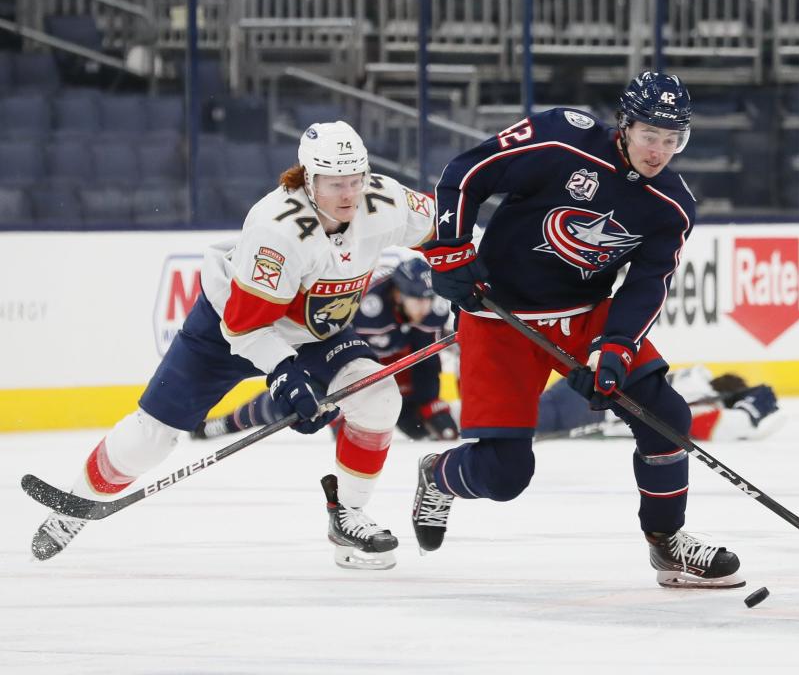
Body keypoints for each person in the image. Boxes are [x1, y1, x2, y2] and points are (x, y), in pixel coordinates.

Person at [30, 121, 436, 570]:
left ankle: (348, 518)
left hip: (316, 332)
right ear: (307, 178)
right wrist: (285, 376)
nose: (348, 194)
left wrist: (489, 272)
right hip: (226, 329)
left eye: (355, 180)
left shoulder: (384, 201)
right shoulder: (277, 229)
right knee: (149, 440)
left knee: (377, 400)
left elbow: (449, 228)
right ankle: (72, 506)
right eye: (334, 183)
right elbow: (245, 328)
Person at [412, 71, 745, 589]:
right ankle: (439, 475)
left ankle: (668, 543)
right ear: (625, 125)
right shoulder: (560, 139)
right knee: (504, 476)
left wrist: (613, 348)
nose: (659, 151)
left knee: (666, 418)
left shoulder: (672, 205)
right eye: (649, 135)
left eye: (672, 139)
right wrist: (451, 249)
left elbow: (647, 284)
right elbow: (466, 172)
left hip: (584, 313)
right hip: (500, 313)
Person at [192, 257, 458, 442]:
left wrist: (428, 404)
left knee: (419, 429)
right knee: (296, 406)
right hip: (336, 352)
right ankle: (225, 423)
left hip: (387, 360)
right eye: (416, 299)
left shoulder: (432, 311)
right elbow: (330, 344)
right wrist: (340, 404)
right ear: (397, 293)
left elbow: (425, 362)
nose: (423, 307)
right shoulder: (367, 304)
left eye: (427, 299)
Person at [537, 366, 782, 442]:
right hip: (592, 409)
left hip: (582, 390)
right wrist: (749, 408)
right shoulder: (701, 400)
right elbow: (722, 426)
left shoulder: (694, 375)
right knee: (515, 423)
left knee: (519, 415)